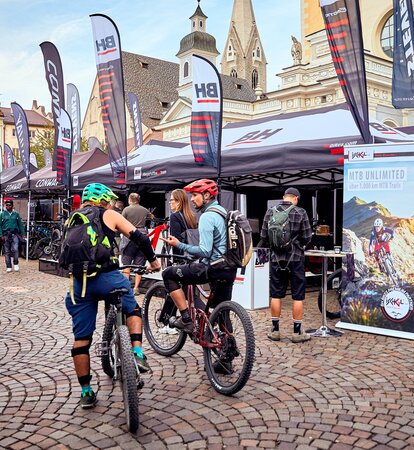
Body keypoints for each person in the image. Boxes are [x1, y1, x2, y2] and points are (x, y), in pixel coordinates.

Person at [64, 183, 161, 409]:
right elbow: (141, 238)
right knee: (133, 310)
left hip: (80, 283)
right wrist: (153, 262)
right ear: (105, 200)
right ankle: (136, 351)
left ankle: (86, 392)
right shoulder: (109, 214)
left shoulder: (73, 218)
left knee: (81, 340)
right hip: (108, 278)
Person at [161, 179, 237, 344]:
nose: (192, 199)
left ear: (207, 195)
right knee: (222, 311)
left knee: (168, 274)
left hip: (212, 268)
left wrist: (179, 244)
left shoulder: (207, 217)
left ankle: (186, 319)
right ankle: (226, 354)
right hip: (229, 268)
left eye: (195, 195)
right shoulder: (223, 212)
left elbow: (205, 250)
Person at [258, 187, 312, 343]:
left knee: (276, 294)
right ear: (295, 198)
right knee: (298, 296)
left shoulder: (270, 212)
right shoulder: (300, 212)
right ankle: (297, 333)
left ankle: (275, 331)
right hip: (295, 259)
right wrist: (297, 245)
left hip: (276, 259)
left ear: (284, 197)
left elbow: (263, 236)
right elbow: (307, 238)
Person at [121, 193, 153, 296]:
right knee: (139, 264)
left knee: (127, 263)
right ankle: (136, 288)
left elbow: (121, 221)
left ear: (130, 199)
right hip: (142, 236)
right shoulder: (144, 209)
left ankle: (126, 287)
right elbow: (152, 218)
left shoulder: (126, 209)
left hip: (129, 236)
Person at [169, 189, 198, 258]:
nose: (169, 202)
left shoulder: (174, 216)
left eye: (171, 200)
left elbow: (176, 240)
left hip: (183, 256)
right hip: (194, 252)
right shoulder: (192, 216)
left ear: (178, 201)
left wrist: (176, 259)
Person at [0, 199, 26, 273]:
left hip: (14, 233)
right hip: (5, 234)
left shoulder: (16, 214)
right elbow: (0, 226)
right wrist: (1, 235)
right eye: (7, 205)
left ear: (12, 205)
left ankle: (16, 263)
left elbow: (20, 225)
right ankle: (8, 266)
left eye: (9, 205)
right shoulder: (2, 214)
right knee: (7, 251)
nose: (8, 206)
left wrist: (23, 234)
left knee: (15, 249)